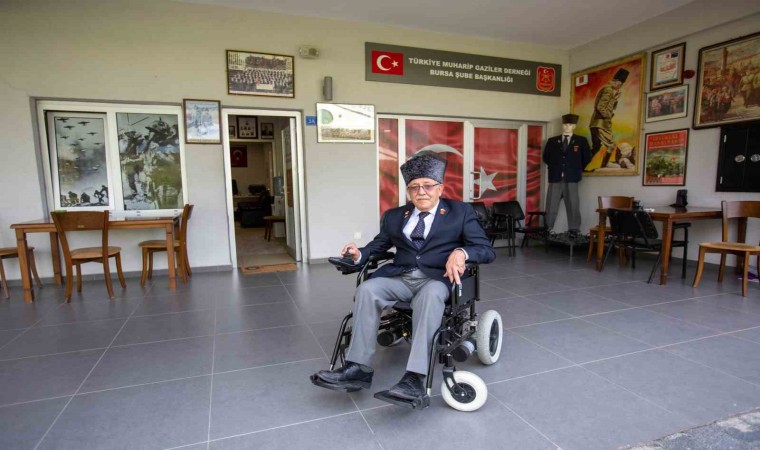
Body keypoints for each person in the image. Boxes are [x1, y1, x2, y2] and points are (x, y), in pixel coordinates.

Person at [313, 152, 496, 400]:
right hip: (401, 277)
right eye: (414, 187)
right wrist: (359, 254)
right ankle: (357, 369)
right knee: (367, 289)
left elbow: (486, 250)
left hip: (437, 279)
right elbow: (377, 246)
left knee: (430, 296)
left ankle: (415, 378)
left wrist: (462, 252)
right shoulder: (395, 216)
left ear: (440, 188)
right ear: (409, 192)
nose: (421, 192)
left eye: (427, 186)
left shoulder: (460, 212)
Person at [543, 114, 591, 237]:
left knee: (573, 204)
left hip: (572, 178)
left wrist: (575, 168)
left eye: (570, 124)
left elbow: (587, 158)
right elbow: (546, 157)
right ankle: (548, 228)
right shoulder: (552, 141)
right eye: (565, 124)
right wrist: (557, 167)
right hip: (555, 177)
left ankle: (574, 230)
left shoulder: (581, 141)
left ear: (574, 126)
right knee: (551, 204)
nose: (567, 127)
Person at [587, 68, 629, 170]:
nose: (620, 86)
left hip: (597, 123)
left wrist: (615, 98)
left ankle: (581, 165)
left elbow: (609, 106)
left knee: (596, 147)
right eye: (620, 84)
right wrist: (608, 116)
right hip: (601, 124)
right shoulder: (608, 90)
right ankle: (603, 167)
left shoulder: (609, 90)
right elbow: (601, 107)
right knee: (611, 145)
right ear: (617, 81)